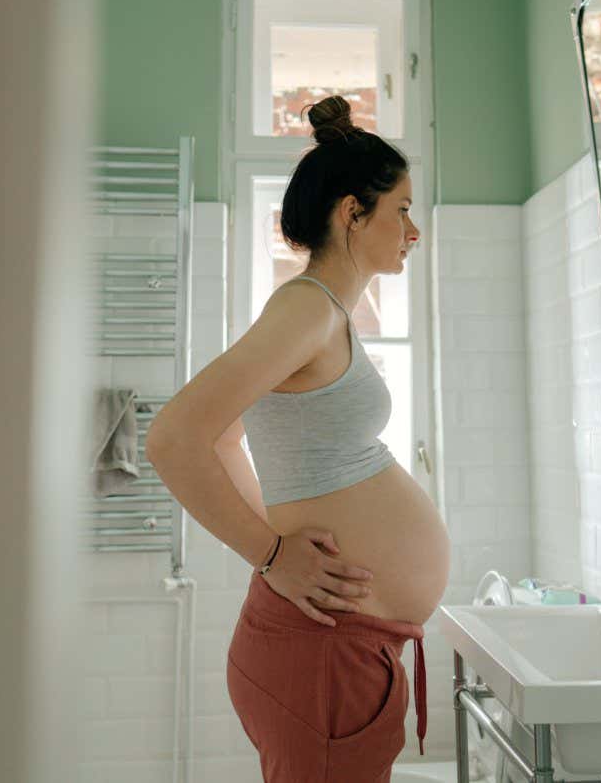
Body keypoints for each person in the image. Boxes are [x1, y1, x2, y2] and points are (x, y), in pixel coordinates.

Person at [145, 95, 451, 781]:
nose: (413, 230)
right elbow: (173, 439)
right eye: (401, 209)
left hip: (336, 648)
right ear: (352, 212)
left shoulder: (324, 312)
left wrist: (276, 555)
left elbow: (223, 440)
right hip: (323, 654)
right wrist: (272, 553)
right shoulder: (308, 308)